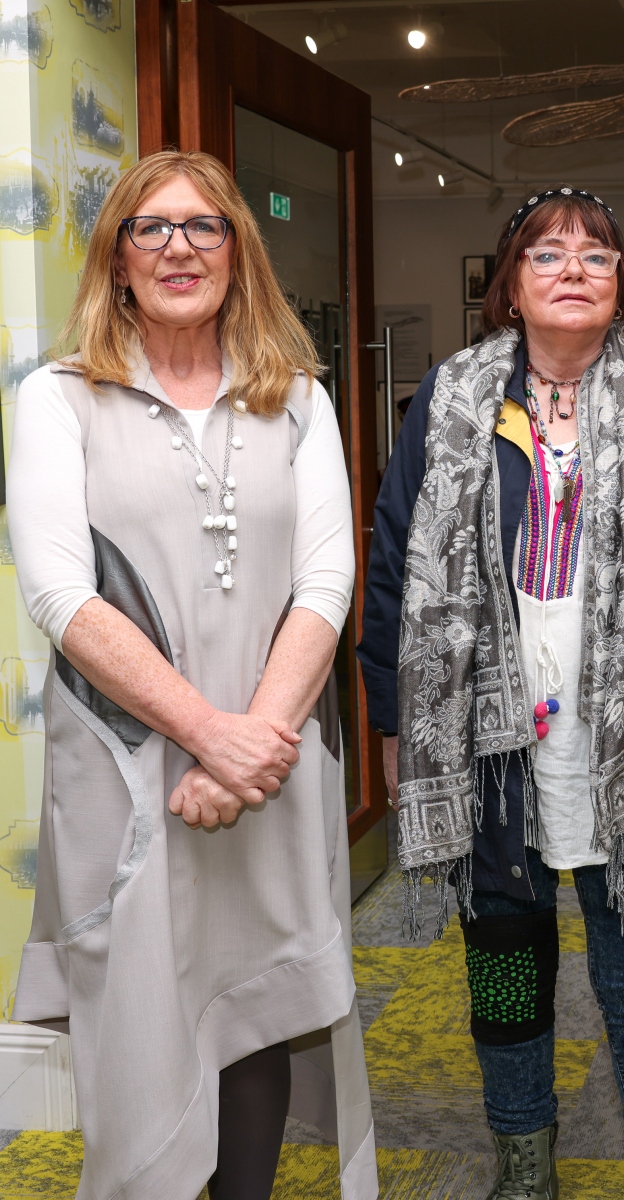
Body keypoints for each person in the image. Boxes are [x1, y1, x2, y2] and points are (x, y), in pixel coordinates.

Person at [357, 188, 624, 1200]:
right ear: (510, 286)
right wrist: (395, 722)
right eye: (546, 254)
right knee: (505, 977)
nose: (573, 268)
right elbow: (393, 566)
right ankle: (523, 1162)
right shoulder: (448, 401)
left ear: (620, 280)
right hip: (485, 747)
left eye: (595, 253)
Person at [8, 150, 375, 1200]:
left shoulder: (297, 399)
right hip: (131, 770)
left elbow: (325, 580)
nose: (179, 248)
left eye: (204, 226)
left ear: (236, 251)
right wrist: (212, 737)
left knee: (251, 999)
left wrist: (248, 745)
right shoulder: (60, 398)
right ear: (117, 258)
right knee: (138, 1003)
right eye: (152, 228)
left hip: (270, 754)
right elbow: (60, 595)